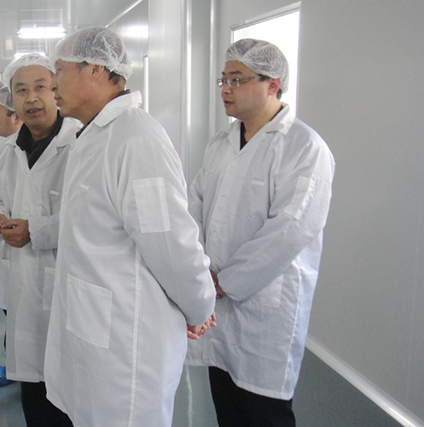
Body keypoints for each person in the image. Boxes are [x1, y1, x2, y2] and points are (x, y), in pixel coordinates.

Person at [43, 27, 216, 427]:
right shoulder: (94, 136)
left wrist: (200, 306)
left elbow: (170, 244)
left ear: (96, 69)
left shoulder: (137, 139)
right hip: (95, 328)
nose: (53, 84)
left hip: (127, 340)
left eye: (60, 70)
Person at [186, 39, 335, 427]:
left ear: (273, 84)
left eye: (237, 79)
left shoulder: (304, 147)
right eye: (223, 79)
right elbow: (194, 205)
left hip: (266, 304)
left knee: (266, 411)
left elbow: (292, 229)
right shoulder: (221, 143)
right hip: (217, 298)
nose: (225, 89)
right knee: (227, 405)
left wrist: (226, 280)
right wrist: (199, 269)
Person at [0, 53, 80, 427]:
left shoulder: (80, 144)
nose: (32, 97)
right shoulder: (5, 150)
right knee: (35, 397)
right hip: (23, 285)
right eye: (21, 90)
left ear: (56, 90)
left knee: (69, 394)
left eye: (41, 87)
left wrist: (37, 231)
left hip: (70, 286)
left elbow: (95, 217)